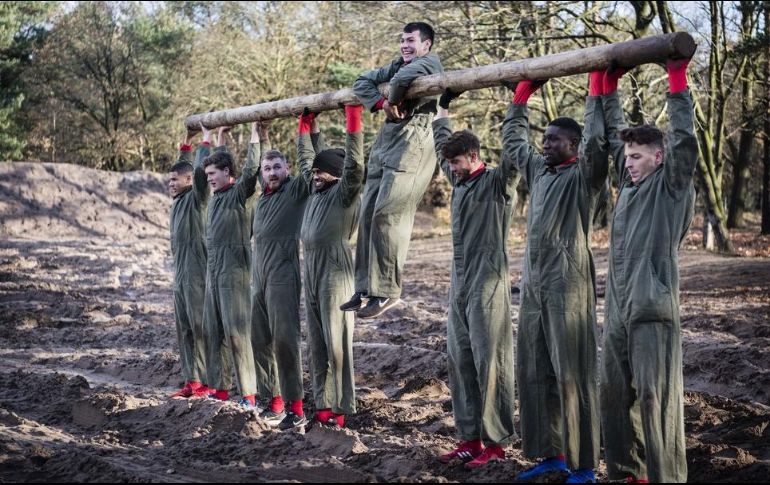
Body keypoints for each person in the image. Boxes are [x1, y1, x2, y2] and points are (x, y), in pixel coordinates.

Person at [504, 72, 614, 483]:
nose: (545, 143)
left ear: (573, 145)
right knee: (535, 372)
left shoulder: (583, 178)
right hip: (533, 287)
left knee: (573, 375)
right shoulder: (539, 171)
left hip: (569, 286)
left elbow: (600, 149)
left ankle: (584, 464)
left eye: (553, 139)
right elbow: (515, 144)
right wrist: (519, 101)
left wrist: (596, 93)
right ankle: (551, 453)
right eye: (544, 137)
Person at [600, 58, 696, 484]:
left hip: (654, 309)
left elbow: (685, 140)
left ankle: (666, 478)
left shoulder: (670, 184)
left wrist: (677, 80)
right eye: (627, 156)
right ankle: (629, 475)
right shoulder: (630, 188)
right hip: (619, 310)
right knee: (615, 395)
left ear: (659, 157)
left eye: (637, 156)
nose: (630, 162)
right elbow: (613, 134)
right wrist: (604, 90)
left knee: (657, 400)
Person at [431, 89, 519, 469]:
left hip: (489, 283)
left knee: (491, 361)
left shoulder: (498, 184)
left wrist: (518, 104)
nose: (451, 168)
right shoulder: (458, 181)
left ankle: (496, 442)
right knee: (460, 360)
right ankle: (469, 438)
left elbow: (515, 156)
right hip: (459, 284)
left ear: (476, 156)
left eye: (457, 162)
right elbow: (440, 146)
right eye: (449, 163)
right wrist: (441, 110)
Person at [342, 21, 443, 319]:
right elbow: (362, 81)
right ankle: (364, 288)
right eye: (402, 40)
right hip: (386, 147)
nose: (404, 45)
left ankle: (386, 291)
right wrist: (379, 103)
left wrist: (392, 99)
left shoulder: (429, 64)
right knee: (369, 214)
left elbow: (404, 78)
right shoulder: (398, 63)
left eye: (410, 40)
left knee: (388, 214)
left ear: (426, 44)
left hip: (413, 148)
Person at [299, 104, 365, 428]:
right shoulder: (315, 191)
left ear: (336, 175)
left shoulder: (344, 193)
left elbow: (355, 165)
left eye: (321, 171)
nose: (315, 176)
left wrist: (353, 120)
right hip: (310, 269)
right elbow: (305, 161)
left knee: (337, 341)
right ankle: (322, 407)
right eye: (314, 172)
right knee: (317, 343)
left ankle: (340, 410)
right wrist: (308, 129)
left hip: (335, 270)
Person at [249, 120, 312, 429]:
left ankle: (296, 409)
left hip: (282, 275)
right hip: (258, 276)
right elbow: (261, 162)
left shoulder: (296, 189)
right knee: (259, 338)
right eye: (267, 168)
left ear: (287, 168)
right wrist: (261, 137)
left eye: (277, 167)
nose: (272, 172)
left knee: (285, 340)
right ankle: (273, 402)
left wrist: (305, 132)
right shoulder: (263, 196)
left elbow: (309, 164)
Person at [202, 123, 260, 408]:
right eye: (207, 175)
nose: (210, 179)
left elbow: (249, 171)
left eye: (214, 174)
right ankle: (220, 389)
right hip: (213, 272)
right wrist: (220, 140)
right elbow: (222, 162)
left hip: (234, 272)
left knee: (237, 333)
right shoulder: (217, 196)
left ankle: (248, 394)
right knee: (214, 331)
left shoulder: (239, 195)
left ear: (227, 174)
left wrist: (254, 136)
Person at [168, 129, 210, 399]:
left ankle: (206, 383)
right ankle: (191, 382)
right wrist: (185, 145)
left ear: (189, 180)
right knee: (183, 330)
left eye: (175, 180)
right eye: (169, 179)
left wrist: (204, 144)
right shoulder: (177, 202)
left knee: (199, 328)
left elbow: (199, 174)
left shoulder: (196, 199)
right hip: (179, 276)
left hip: (197, 275)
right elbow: (184, 167)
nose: (170, 183)